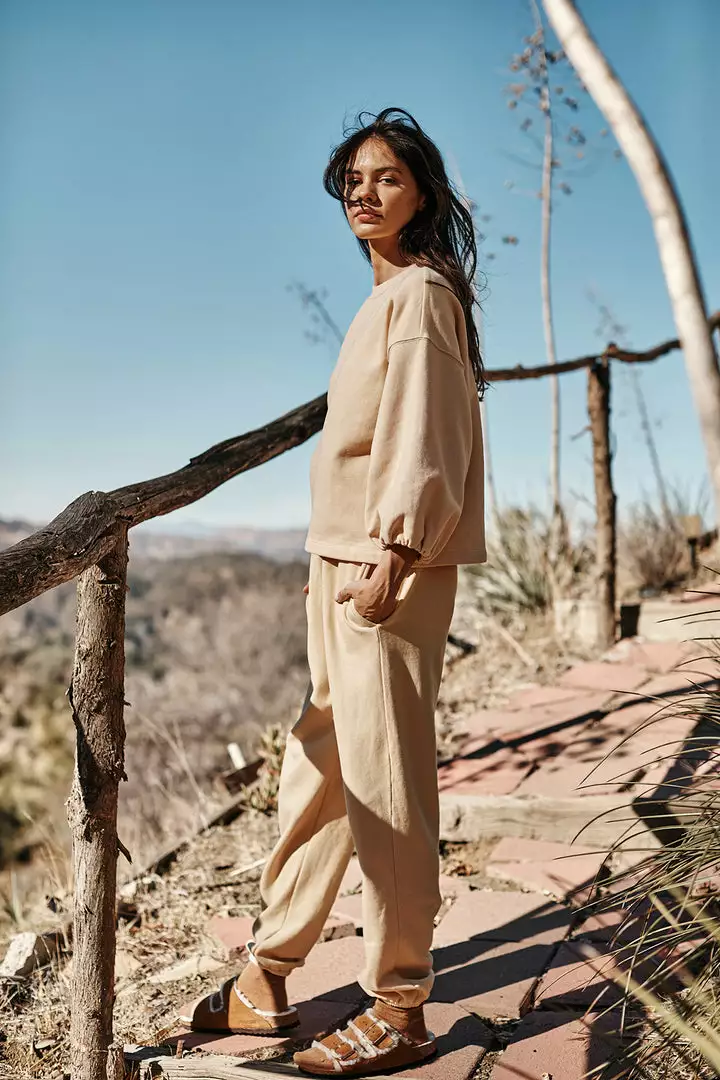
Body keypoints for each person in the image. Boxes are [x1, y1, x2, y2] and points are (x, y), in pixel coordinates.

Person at [184, 107, 487, 1076]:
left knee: (387, 780)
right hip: (339, 560)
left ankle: (400, 1005)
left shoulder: (422, 296)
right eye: (353, 180)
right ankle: (268, 973)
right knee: (320, 766)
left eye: (387, 177)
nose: (365, 192)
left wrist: (395, 549)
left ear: (423, 196)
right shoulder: (383, 298)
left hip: (382, 567)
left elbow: (427, 429)